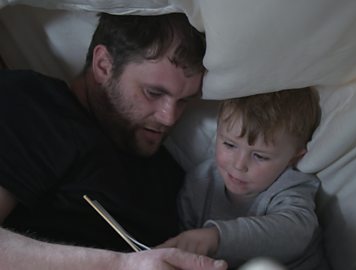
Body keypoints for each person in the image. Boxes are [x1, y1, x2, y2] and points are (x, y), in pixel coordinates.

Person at [0, 12, 227, 270]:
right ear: (103, 66)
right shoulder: (32, 104)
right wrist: (121, 265)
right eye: (153, 92)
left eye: (184, 100)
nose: (170, 117)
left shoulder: (169, 171)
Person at [160, 88, 327, 269]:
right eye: (229, 145)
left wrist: (217, 237)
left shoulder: (291, 186)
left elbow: (295, 233)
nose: (239, 165)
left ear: (294, 157)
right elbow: (187, 244)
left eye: (260, 156)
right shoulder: (199, 183)